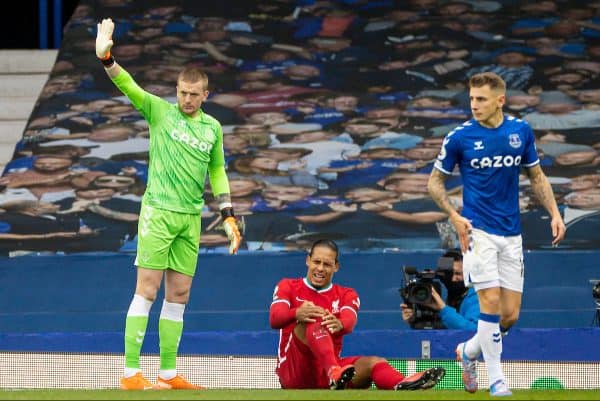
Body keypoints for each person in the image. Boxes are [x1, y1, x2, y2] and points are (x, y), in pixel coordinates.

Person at [95, 18, 242, 390]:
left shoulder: (213, 129)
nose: (187, 99)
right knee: (147, 289)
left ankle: (167, 373)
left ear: (205, 95)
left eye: (194, 94)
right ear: (176, 91)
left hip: (190, 218)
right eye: (182, 92)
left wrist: (227, 215)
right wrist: (107, 56)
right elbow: (128, 86)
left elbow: (218, 172)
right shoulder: (159, 112)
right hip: (158, 213)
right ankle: (130, 373)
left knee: (180, 294)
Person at [427, 72, 565, 396]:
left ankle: (468, 352)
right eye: (471, 98)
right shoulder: (459, 137)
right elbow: (434, 182)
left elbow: (537, 175)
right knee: (488, 303)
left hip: (511, 234)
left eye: (481, 99)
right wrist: (454, 216)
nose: (473, 105)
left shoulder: (520, 131)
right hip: (478, 232)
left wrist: (556, 214)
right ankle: (497, 380)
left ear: (500, 100)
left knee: (508, 316)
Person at [269, 239, 446, 390]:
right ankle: (334, 373)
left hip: (330, 375)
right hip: (294, 372)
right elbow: (275, 318)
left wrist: (340, 324)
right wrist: (297, 312)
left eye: (327, 264)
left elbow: (349, 320)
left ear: (336, 267)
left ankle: (401, 384)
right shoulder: (288, 286)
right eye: (316, 262)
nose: (320, 268)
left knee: (373, 363)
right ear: (308, 261)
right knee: (312, 315)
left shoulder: (346, 294)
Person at [401, 249, 479, 330]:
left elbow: (473, 330)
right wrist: (414, 319)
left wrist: (443, 309)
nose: (453, 279)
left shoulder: (476, 296)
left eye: (458, 274)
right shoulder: (450, 295)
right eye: (449, 274)